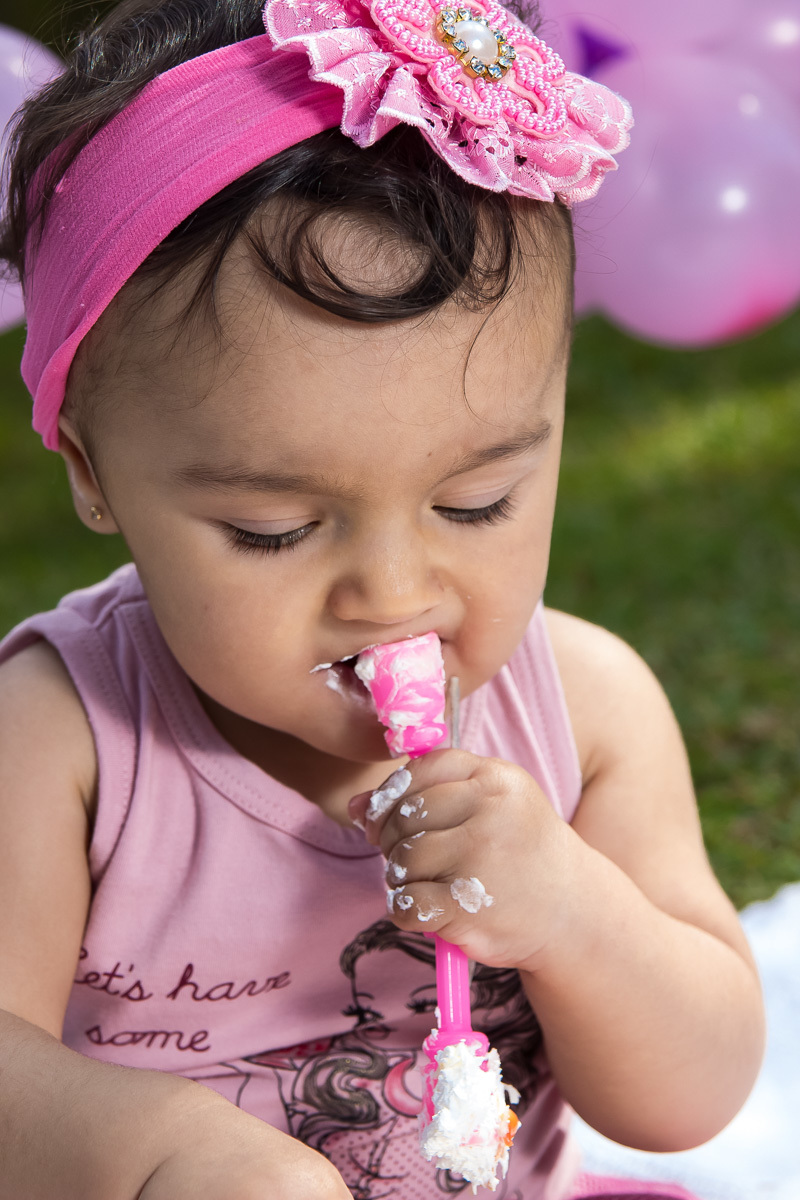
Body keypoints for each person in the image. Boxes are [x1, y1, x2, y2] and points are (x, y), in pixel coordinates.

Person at [0, 0, 764, 1197]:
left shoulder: (587, 715)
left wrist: (572, 917)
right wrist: (154, 1155)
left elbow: (689, 1096)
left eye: (475, 504)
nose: (393, 595)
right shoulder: (64, 740)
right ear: (94, 473)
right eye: (274, 529)